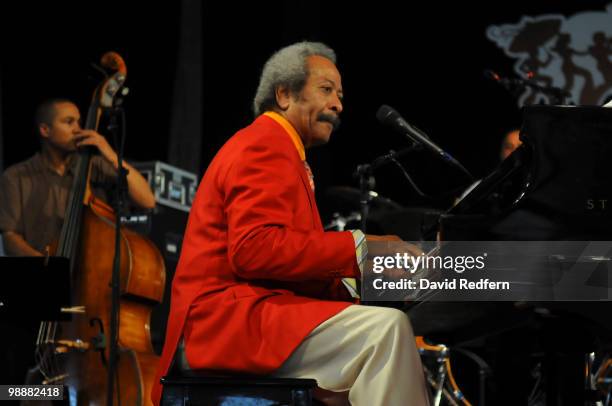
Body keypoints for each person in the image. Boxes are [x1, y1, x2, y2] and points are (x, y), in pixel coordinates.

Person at [152, 42, 428, 406]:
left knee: (375, 357)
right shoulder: (264, 143)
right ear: (283, 94)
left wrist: (374, 280)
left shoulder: (284, 151)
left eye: (340, 95)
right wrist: (364, 248)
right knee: (385, 333)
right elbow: (253, 250)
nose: (338, 105)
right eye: (326, 90)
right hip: (223, 326)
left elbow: (289, 263)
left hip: (255, 317)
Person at [0, 98, 156, 256]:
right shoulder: (15, 176)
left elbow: (147, 201)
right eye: (69, 122)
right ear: (45, 130)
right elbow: (10, 237)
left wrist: (109, 153)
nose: (78, 129)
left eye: (78, 122)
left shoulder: (95, 165)